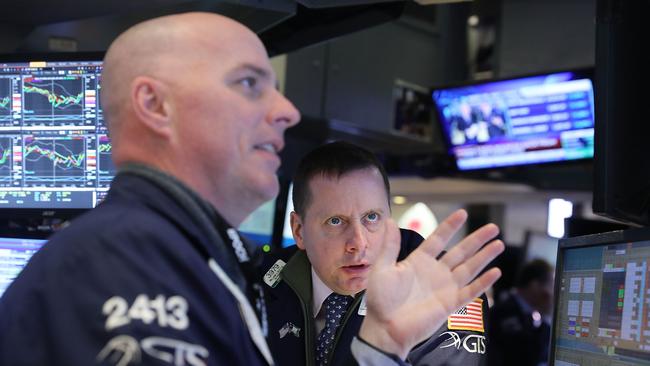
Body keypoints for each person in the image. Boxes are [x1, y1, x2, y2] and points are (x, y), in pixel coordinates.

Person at [0, 12, 504, 366]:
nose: (285, 109)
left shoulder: (191, 258)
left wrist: (381, 343)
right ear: (155, 105)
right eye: (248, 83)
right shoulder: (128, 268)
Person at [262, 141, 492, 366]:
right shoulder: (260, 282)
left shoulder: (438, 286)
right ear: (299, 231)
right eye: (335, 221)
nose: (358, 243)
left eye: (371, 217)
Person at [487, 259, 554, 366]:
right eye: (551, 285)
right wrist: (547, 316)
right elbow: (529, 358)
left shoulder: (524, 312)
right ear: (534, 285)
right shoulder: (506, 313)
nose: (551, 293)